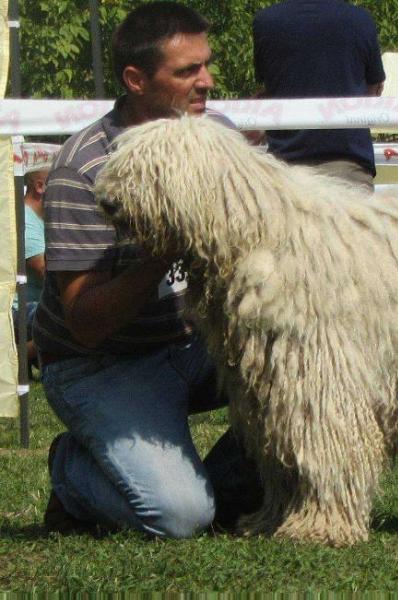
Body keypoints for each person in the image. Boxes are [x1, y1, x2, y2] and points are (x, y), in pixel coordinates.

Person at [33, 1, 260, 538]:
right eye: (187, 71)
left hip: (194, 343)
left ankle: (210, 479)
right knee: (180, 517)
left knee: (305, 379)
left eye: (206, 65)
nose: (206, 82)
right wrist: (165, 249)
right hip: (102, 363)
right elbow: (86, 323)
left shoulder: (219, 136)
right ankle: (72, 471)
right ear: (135, 79)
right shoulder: (83, 169)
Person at [252, 0, 386, 191]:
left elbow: (270, 87)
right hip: (348, 169)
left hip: (285, 171)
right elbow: (373, 90)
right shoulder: (360, 20)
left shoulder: (266, 22)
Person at [12, 168, 48, 373]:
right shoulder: (24, 220)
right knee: (68, 315)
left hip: (37, 304)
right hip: (19, 309)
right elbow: (47, 273)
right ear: (40, 186)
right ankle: (17, 358)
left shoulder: (43, 218)